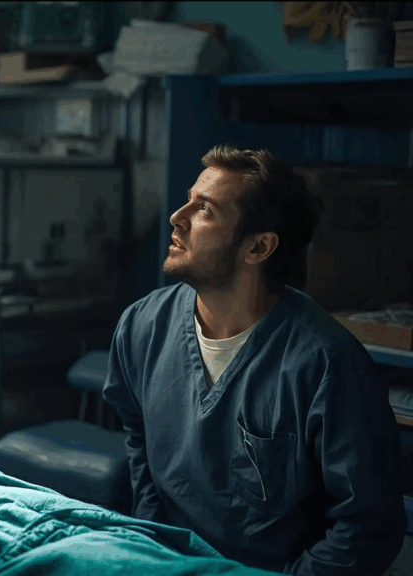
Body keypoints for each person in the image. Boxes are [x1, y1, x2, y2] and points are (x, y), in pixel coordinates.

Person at [101, 144, 406, 576]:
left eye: (203, 210)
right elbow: (137, 431)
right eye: (188, 199)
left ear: (258, 247)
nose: (177, 217)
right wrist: (157, 541)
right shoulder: (143, 326)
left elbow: (368, 526)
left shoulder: (325, 364)